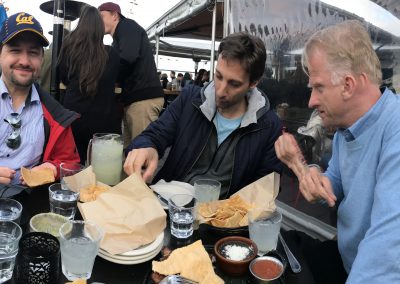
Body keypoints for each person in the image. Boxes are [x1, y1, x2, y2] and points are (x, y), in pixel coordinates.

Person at [274, 20, 400, 283]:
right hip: (347, 263)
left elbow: (387, 257)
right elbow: (332, 189)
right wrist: (306, 170)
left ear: (349, 84)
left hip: (369, 273)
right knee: (276, 250)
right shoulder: (347, 130)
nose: (311, 101)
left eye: (318, 88)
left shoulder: (395, 129)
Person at [124, 32, 282, 198]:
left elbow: (267, 187)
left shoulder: (269, 126)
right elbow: (154, 134)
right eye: (218, 76)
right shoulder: (190, 99)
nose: (220, 90)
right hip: (170, 208)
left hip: (224, 219)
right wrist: (147, 147)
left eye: (234, 84)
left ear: (253, 83)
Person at [0, 12, 80, 185]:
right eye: (15, 50)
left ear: (42, 59)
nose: (25, 61)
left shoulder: (55, 114)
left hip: (29, 202)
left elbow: (70, 162)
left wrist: (52, 168)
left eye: (33, 53)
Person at [58, 6, 122, 164]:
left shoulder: (69, 48)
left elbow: (63, 77)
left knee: (74, 165)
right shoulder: (111, 54)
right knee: (102, 172)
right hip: (103, 120)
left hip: (74, 116)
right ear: (99, 28)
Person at [98, 2, 164, 147]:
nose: (98, 21)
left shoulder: (127, 26)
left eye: (101, 16)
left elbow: (127, 58)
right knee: (131, 153)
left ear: (115, 15)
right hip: (136, 100)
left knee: (140, 153)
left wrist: (105, 79)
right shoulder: (119, 37)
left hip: (143, 99)